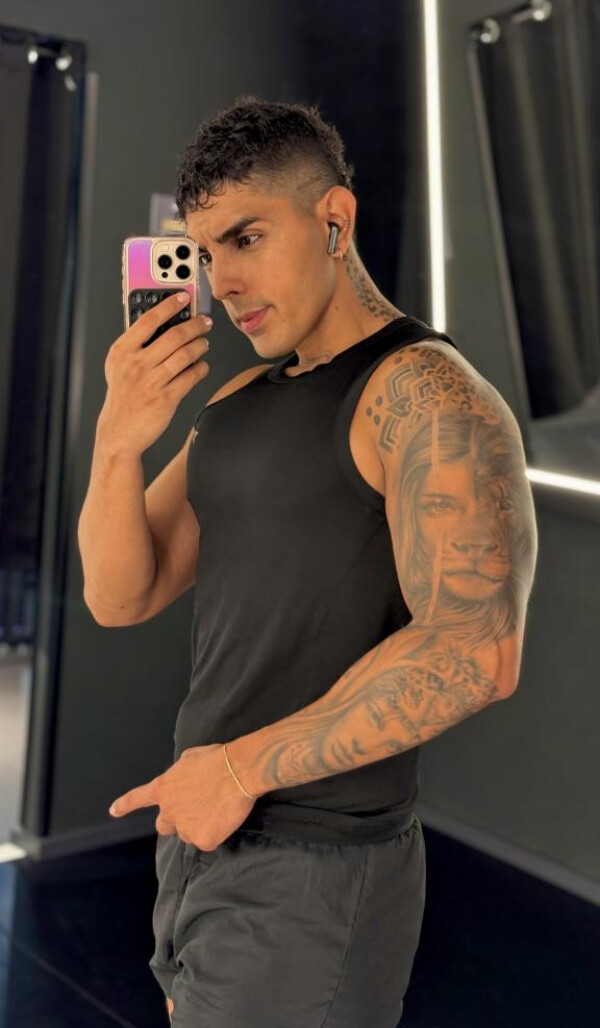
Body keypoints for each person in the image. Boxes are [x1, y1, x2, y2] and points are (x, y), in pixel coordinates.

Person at [79, 96, 538, 1028]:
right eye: (204, 253)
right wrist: (118, 442)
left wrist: (238, 771)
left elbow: (476, 649)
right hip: (202, 831)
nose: (224, 281)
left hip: (316, 861)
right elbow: (121, 596)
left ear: (334, 220)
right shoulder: (242, 397)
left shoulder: (430, 396)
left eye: (246, 239)